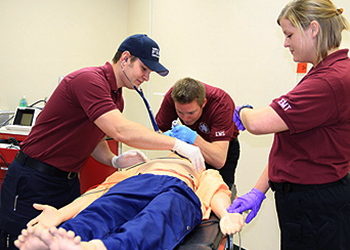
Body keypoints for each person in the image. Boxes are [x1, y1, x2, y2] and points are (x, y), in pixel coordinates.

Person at [0, 34, 205, 250]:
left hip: (67, 183)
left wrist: (114, 160)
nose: (146, 77)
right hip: (35, 179)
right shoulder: (89, 80)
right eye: (144, 69)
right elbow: (120, 129)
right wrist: (176, 144)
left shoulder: (117, 97)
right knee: (22, 242)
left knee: (58, 241)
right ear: (125, 58)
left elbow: (95, 140)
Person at [227, 1, 350, 249]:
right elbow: (292, 146)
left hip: (314, 207)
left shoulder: (329, 81)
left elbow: (260, 124)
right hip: (311, 202)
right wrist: (258, 191)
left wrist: (244, 111)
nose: (285, 43)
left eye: (289, 34)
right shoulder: (326, 73)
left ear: (313, 29)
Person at [14, 153, 244, 250]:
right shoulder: (141, 165)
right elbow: (101, 194)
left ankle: (96, 247)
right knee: (106, 209)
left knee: (157, 218)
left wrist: (226, 215)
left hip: (179, 187)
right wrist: (61, 214)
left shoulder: (201, 171)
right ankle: (62, 238)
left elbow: (216, 192)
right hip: (139, 180)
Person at [156, 77, 240, 190]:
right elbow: (158, 132)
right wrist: (169, 141)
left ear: (203, 103)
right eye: (180, 112)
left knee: (217, 192)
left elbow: (219, 160)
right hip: (188, 149)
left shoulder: (221, 103)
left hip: (222, 149)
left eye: (191, 112)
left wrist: (194, 138)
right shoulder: (172, 97)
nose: (185, 118)